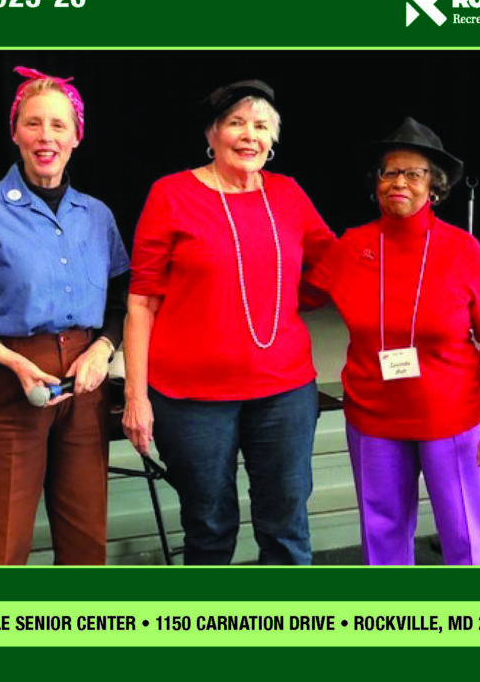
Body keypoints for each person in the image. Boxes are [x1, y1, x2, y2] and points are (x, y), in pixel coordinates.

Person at [0, 66, 130, 565]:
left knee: (86, 541)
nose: (45, 136)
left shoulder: (96, 215)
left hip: (85, 385)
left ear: (76, 137)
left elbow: (122, 301)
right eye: (33, 123)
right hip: (6, 385)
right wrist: (10, 360)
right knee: (5, 543)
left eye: (58, 125)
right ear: (15, 133)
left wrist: (102, 349)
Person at [122, 80, 335, 565]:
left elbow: (332, 262)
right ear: (212, 134)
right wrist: (136, 396)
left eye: (260, 125)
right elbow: (141, 302)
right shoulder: (171, 194)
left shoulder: (287, 193)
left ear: (272, 139)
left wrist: (295, 298)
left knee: (286, 525)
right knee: (208, 526)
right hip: (190, 397)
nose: (249, 135)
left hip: (284, 391)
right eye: (236, 123)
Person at [305, 117, 480, 565]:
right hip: (373, 418)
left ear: (433, 187)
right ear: (376, 182)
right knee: (381, 536)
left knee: (467, 537)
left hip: (453, 419)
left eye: (413, 173)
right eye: (390, 172)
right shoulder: (352, 247)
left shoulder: (462, 250)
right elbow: (296, 297)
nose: (399, 182)